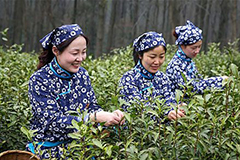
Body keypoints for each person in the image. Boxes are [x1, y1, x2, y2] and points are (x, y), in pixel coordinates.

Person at [27, 24, 124, 159]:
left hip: (81, 147)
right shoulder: (40, 79)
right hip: (48, 151)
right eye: (74, 53)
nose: (80, 58)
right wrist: (92, 118)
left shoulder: (82, 74)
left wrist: (109, 117)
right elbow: (51, 122)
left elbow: (91, 106)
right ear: (56, 51)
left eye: (83, 52)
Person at [118, 31, 185, 121]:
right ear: (140, 55)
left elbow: (169, 101)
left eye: (161, 57)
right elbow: (138, 110)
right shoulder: (129, 79)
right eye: (152, 57)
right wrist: (165, 114)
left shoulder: (163, 78)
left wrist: (177, 108)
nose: (157, 62)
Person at [166, 20, 228, 95]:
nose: (197, 51)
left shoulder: (188, 61)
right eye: (194, 48)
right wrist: (220, 81)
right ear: (182, 46)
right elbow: (192, 89)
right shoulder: (176, 66)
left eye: (199, 46)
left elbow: (199, 80)